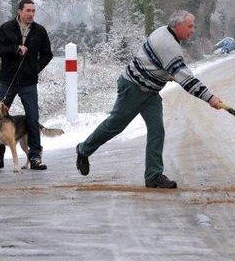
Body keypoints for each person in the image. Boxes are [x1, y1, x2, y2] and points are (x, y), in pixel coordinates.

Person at [76, 10, 222, 188]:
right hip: (133, 88)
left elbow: (157, 64)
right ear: (178, 26)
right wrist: (210, 98)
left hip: (150, 92)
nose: (193, 30)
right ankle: (83, 149)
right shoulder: (169, 45)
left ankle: (153, 175)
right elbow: (186, 79)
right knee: (114, 126)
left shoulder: (163, 31)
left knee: (157, 130)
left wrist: (167, 74)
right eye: (190, 26)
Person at [0, 0, 53, 171]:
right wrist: (15, 49)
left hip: (29, 83)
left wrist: (35, 68)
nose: (31, 14)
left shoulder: (39, 31)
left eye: (33, 11)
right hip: (8, 80)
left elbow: (48, 54)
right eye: (28, 11)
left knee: (32, 118)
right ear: (19, 11)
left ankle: (35, 156)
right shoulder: (6, 28)